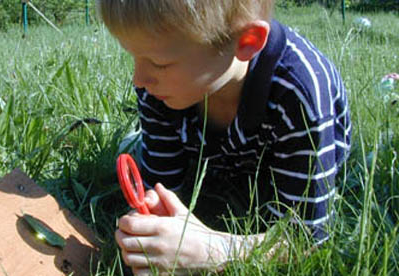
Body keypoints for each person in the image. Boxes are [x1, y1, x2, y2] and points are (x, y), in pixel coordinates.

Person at [97, 0, 351, 275]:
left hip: (287, 161)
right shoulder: (158, 89)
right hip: (223, 155)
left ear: (247, 41)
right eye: (133, 56)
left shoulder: (300, 91)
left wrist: (211, 250)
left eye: (159, 63)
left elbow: (306, 236)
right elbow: (160, 186)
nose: (138, 78)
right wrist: (150, 226)